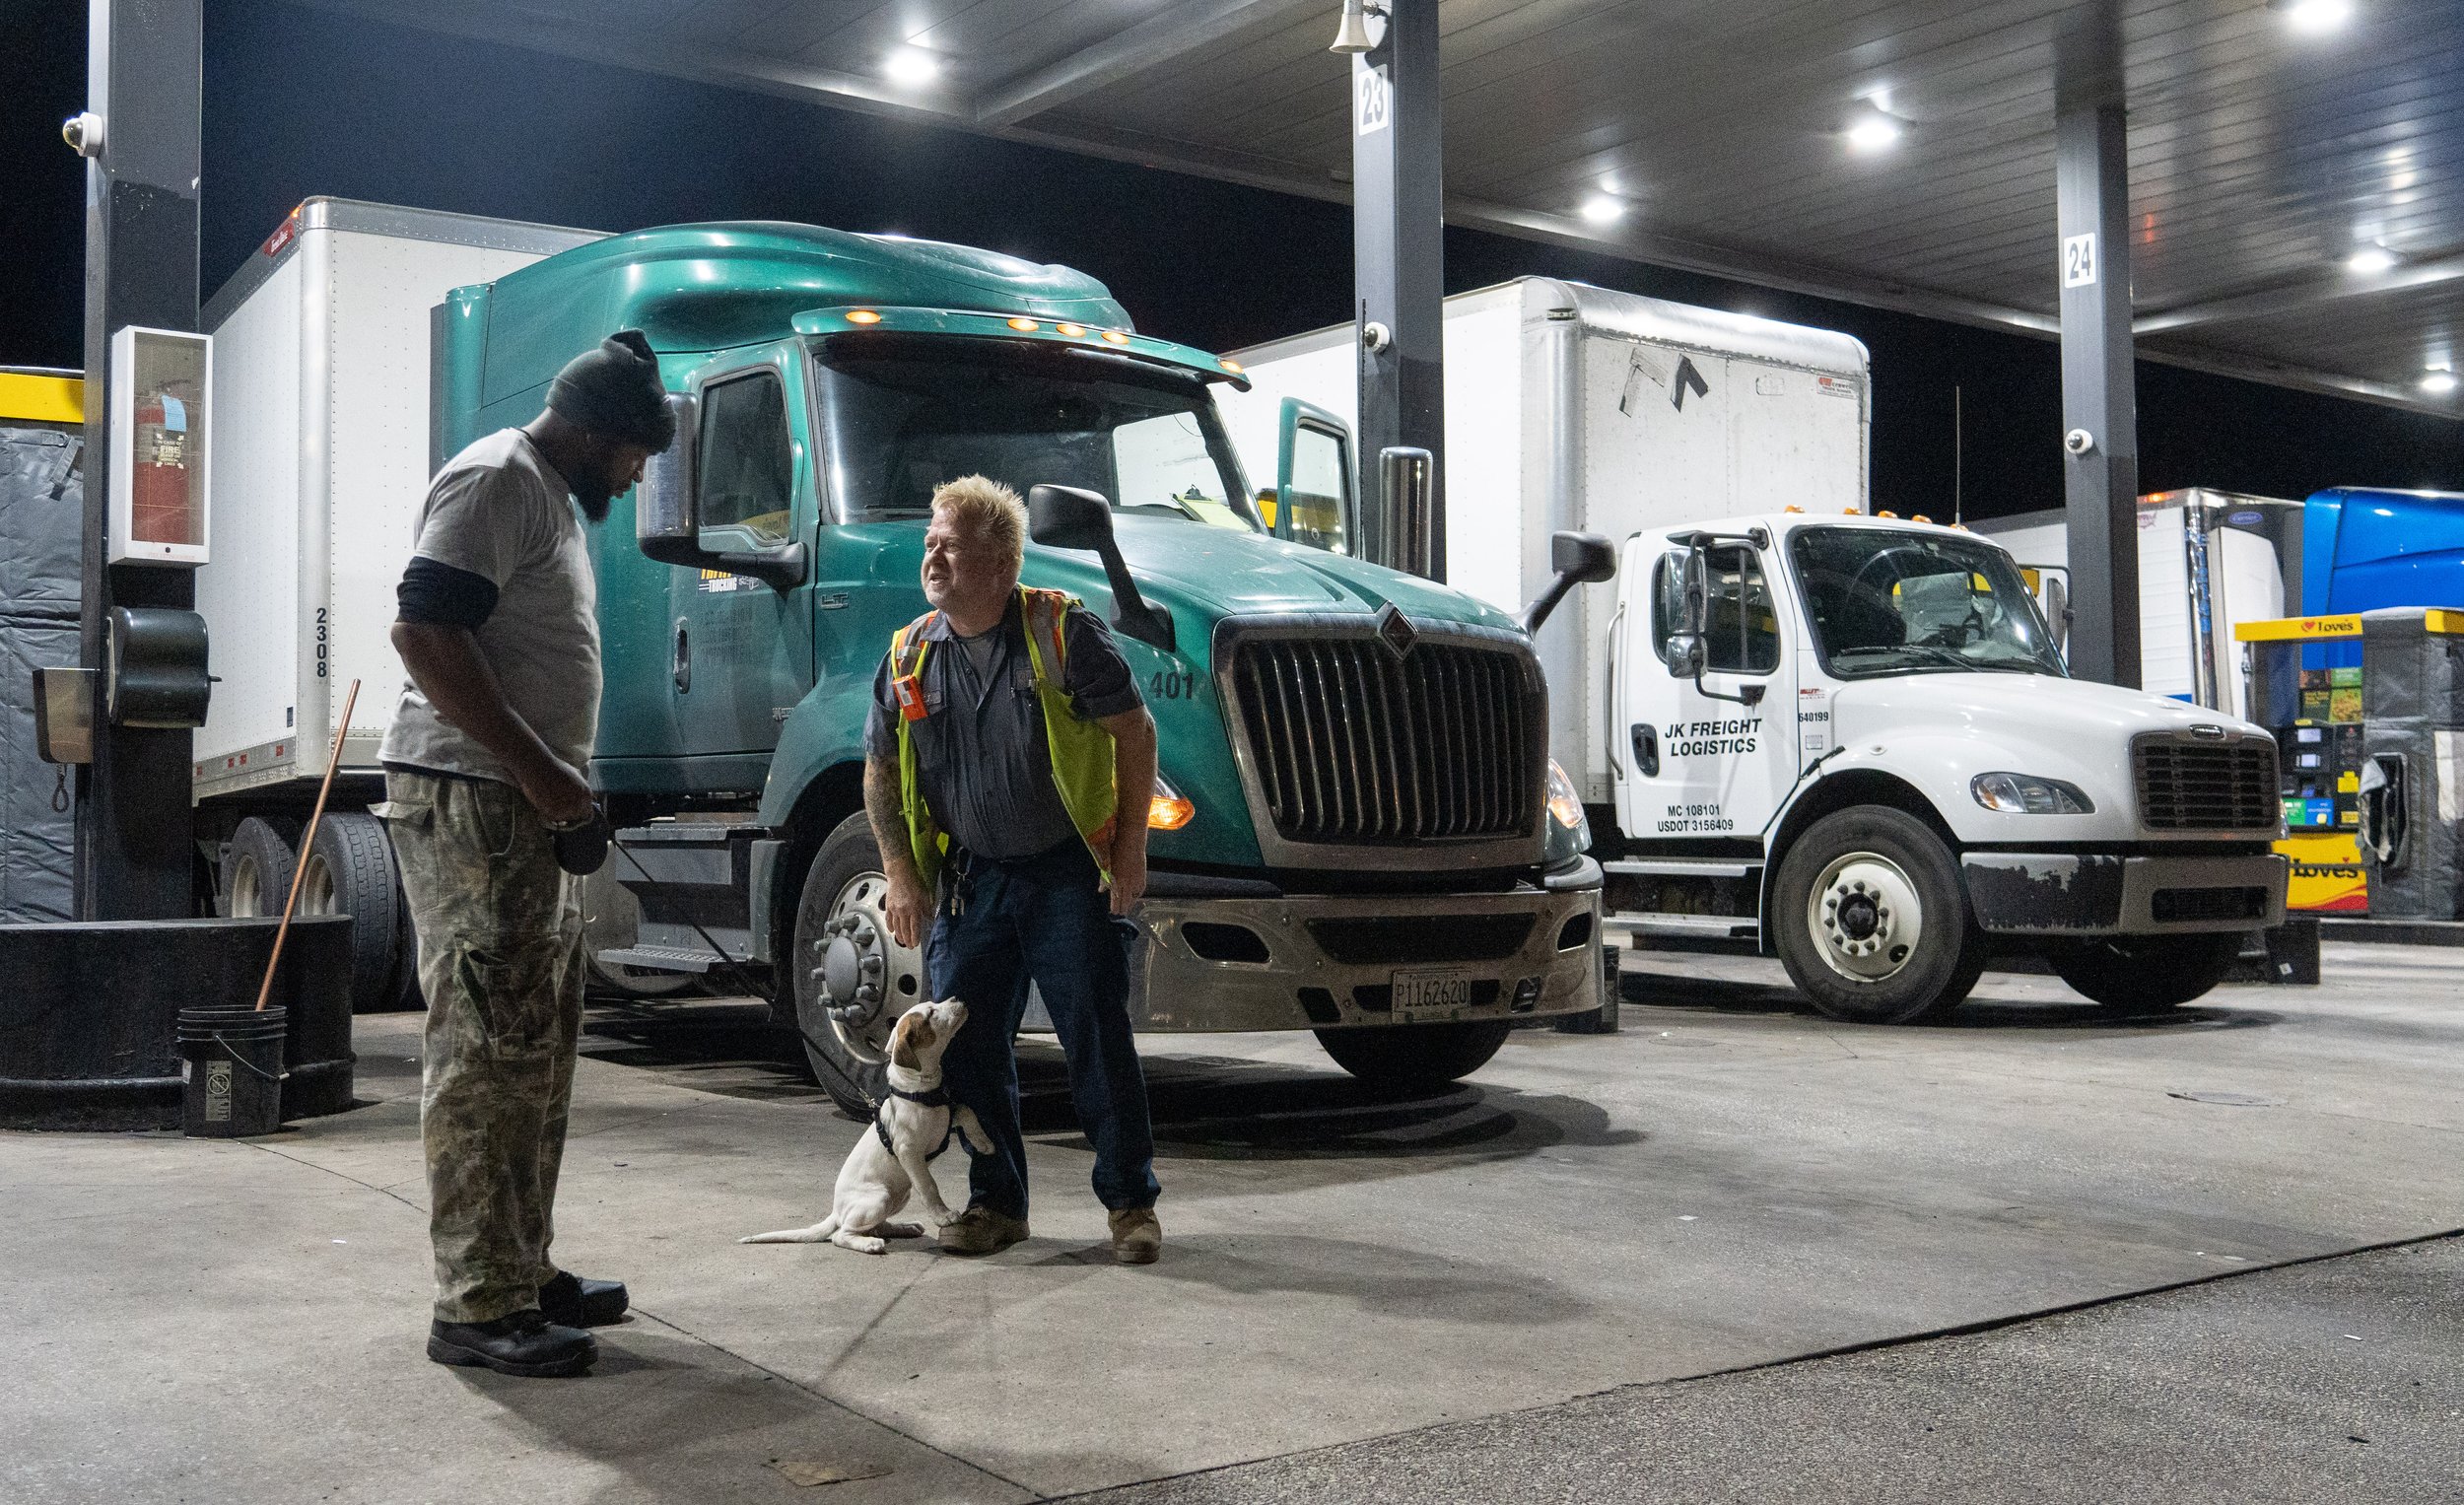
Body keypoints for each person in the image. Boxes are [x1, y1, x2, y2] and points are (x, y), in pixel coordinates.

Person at [379, 330, 674, 1378]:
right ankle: (473, 1305)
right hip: (474, 800)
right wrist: (547, 776)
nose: (638, 474)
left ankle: (518, 1268)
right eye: (635, 453)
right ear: (593, 433)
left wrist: (559, 788)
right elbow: (425, 632)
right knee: (483, 1050)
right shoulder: (499, 476)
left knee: (537, 1047)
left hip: (524, 808)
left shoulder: (547, 492)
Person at [862, 475, 1165, 1264]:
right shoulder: (908, 655)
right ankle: (998, 1204)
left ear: (999, 564)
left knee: (1095, 1035)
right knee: (966, 1048)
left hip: (1066, 871)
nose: (932, 554)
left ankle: (1131, 1206)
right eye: (930, 540)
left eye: (949, 544)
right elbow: (878, 771)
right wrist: (901, 870)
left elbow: (1135, 733)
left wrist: (1129, 847)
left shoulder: (1063, 632)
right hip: (971, 877)